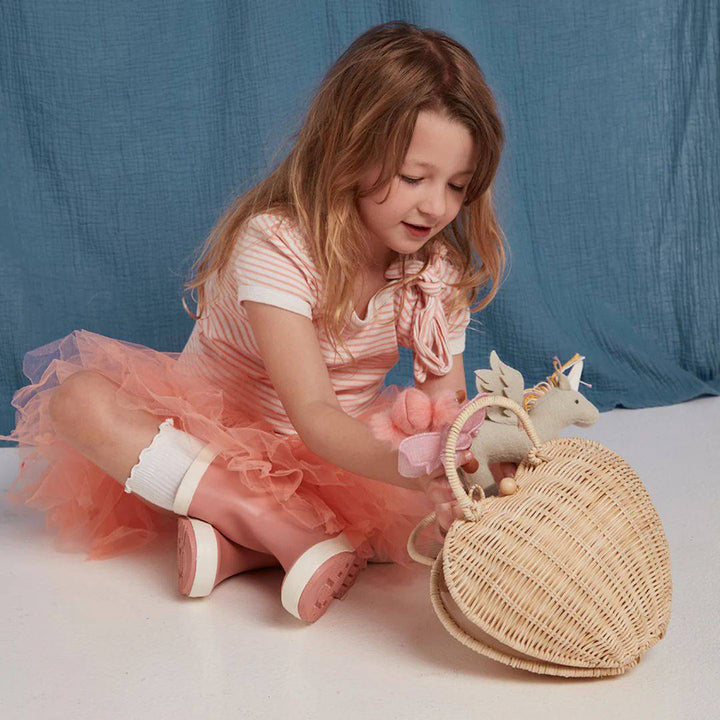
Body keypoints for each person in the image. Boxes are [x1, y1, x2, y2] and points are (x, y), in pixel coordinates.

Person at [0, 21, 514, 623]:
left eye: (457, 186)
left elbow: (444, 412)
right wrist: (419, 470)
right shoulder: (278, 242)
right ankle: (273, 524)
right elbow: (313, 414)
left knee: (427, 522)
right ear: (349, 150)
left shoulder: (433, 271)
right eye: (412, 178)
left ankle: (238, 545)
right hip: (213, 450)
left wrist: (455, 473)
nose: (436, 206)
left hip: (339, 462)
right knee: (79, 400)